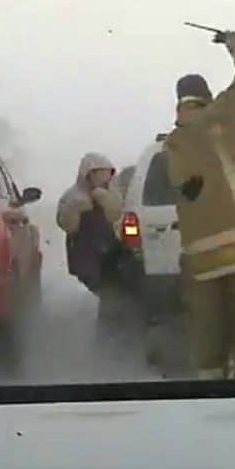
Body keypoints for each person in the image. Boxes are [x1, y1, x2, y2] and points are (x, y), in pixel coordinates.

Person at [164, 30, 235, 380]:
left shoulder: (174, 144)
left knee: (208, 348)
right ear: (206, 98)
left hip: (201, 264)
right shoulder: (223, 117)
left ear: (179, 105)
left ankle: (211, 402)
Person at [56, 153, 142, 359]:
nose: (105, 178)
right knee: (110, 297)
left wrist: (106, 201)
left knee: (113, 297)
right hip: (87, 256)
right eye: (100, 173)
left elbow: (117, 216)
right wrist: (76, 208)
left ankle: (114, 341)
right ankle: (110, 346)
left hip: (111, 254)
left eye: (107, 173)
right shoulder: (73, 196)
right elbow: (67, 225)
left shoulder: (113, 193)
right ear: (88, 174)